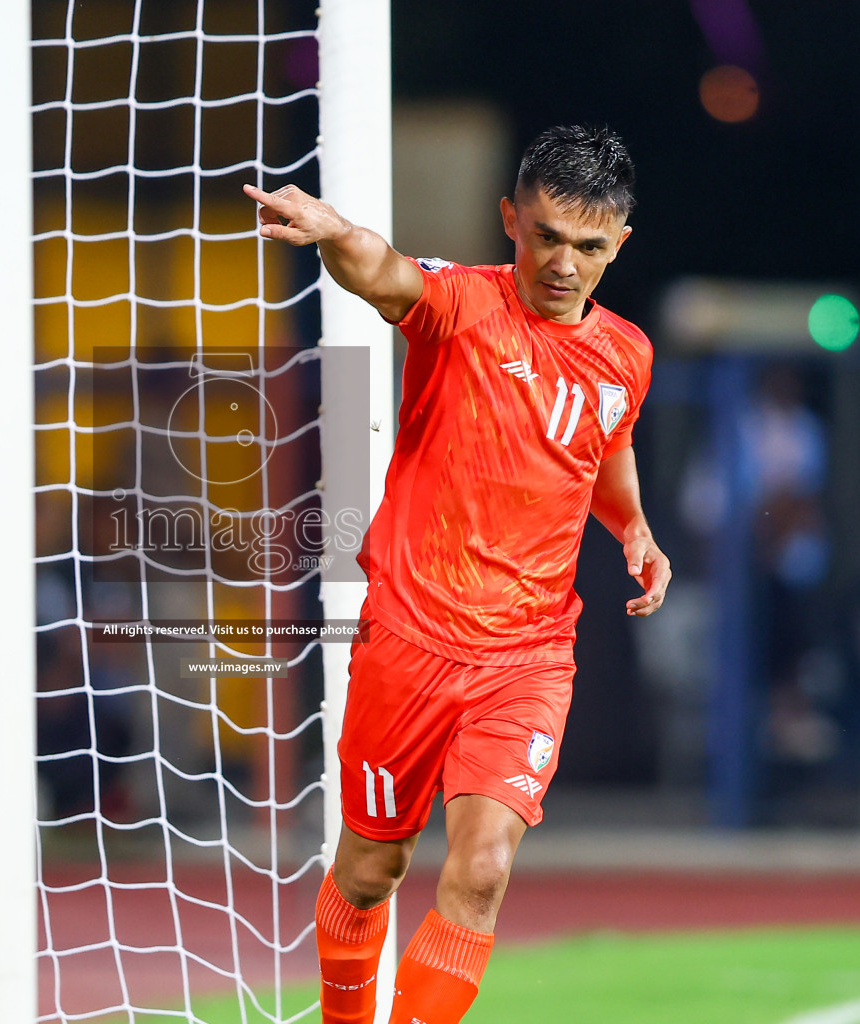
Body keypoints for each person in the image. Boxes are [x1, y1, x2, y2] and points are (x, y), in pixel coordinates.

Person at [245, 124, 671, 1024]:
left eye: (588, 246)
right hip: (409, 639)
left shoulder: (626, 353)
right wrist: (334, 232)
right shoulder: (463, 305)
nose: (563, 262)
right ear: (509, 218)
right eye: (546, 236)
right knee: (370, 871)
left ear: (618, 244)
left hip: (527, 655)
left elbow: (603, 451)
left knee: (480, 872)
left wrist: (633, 527)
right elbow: (385, 271)